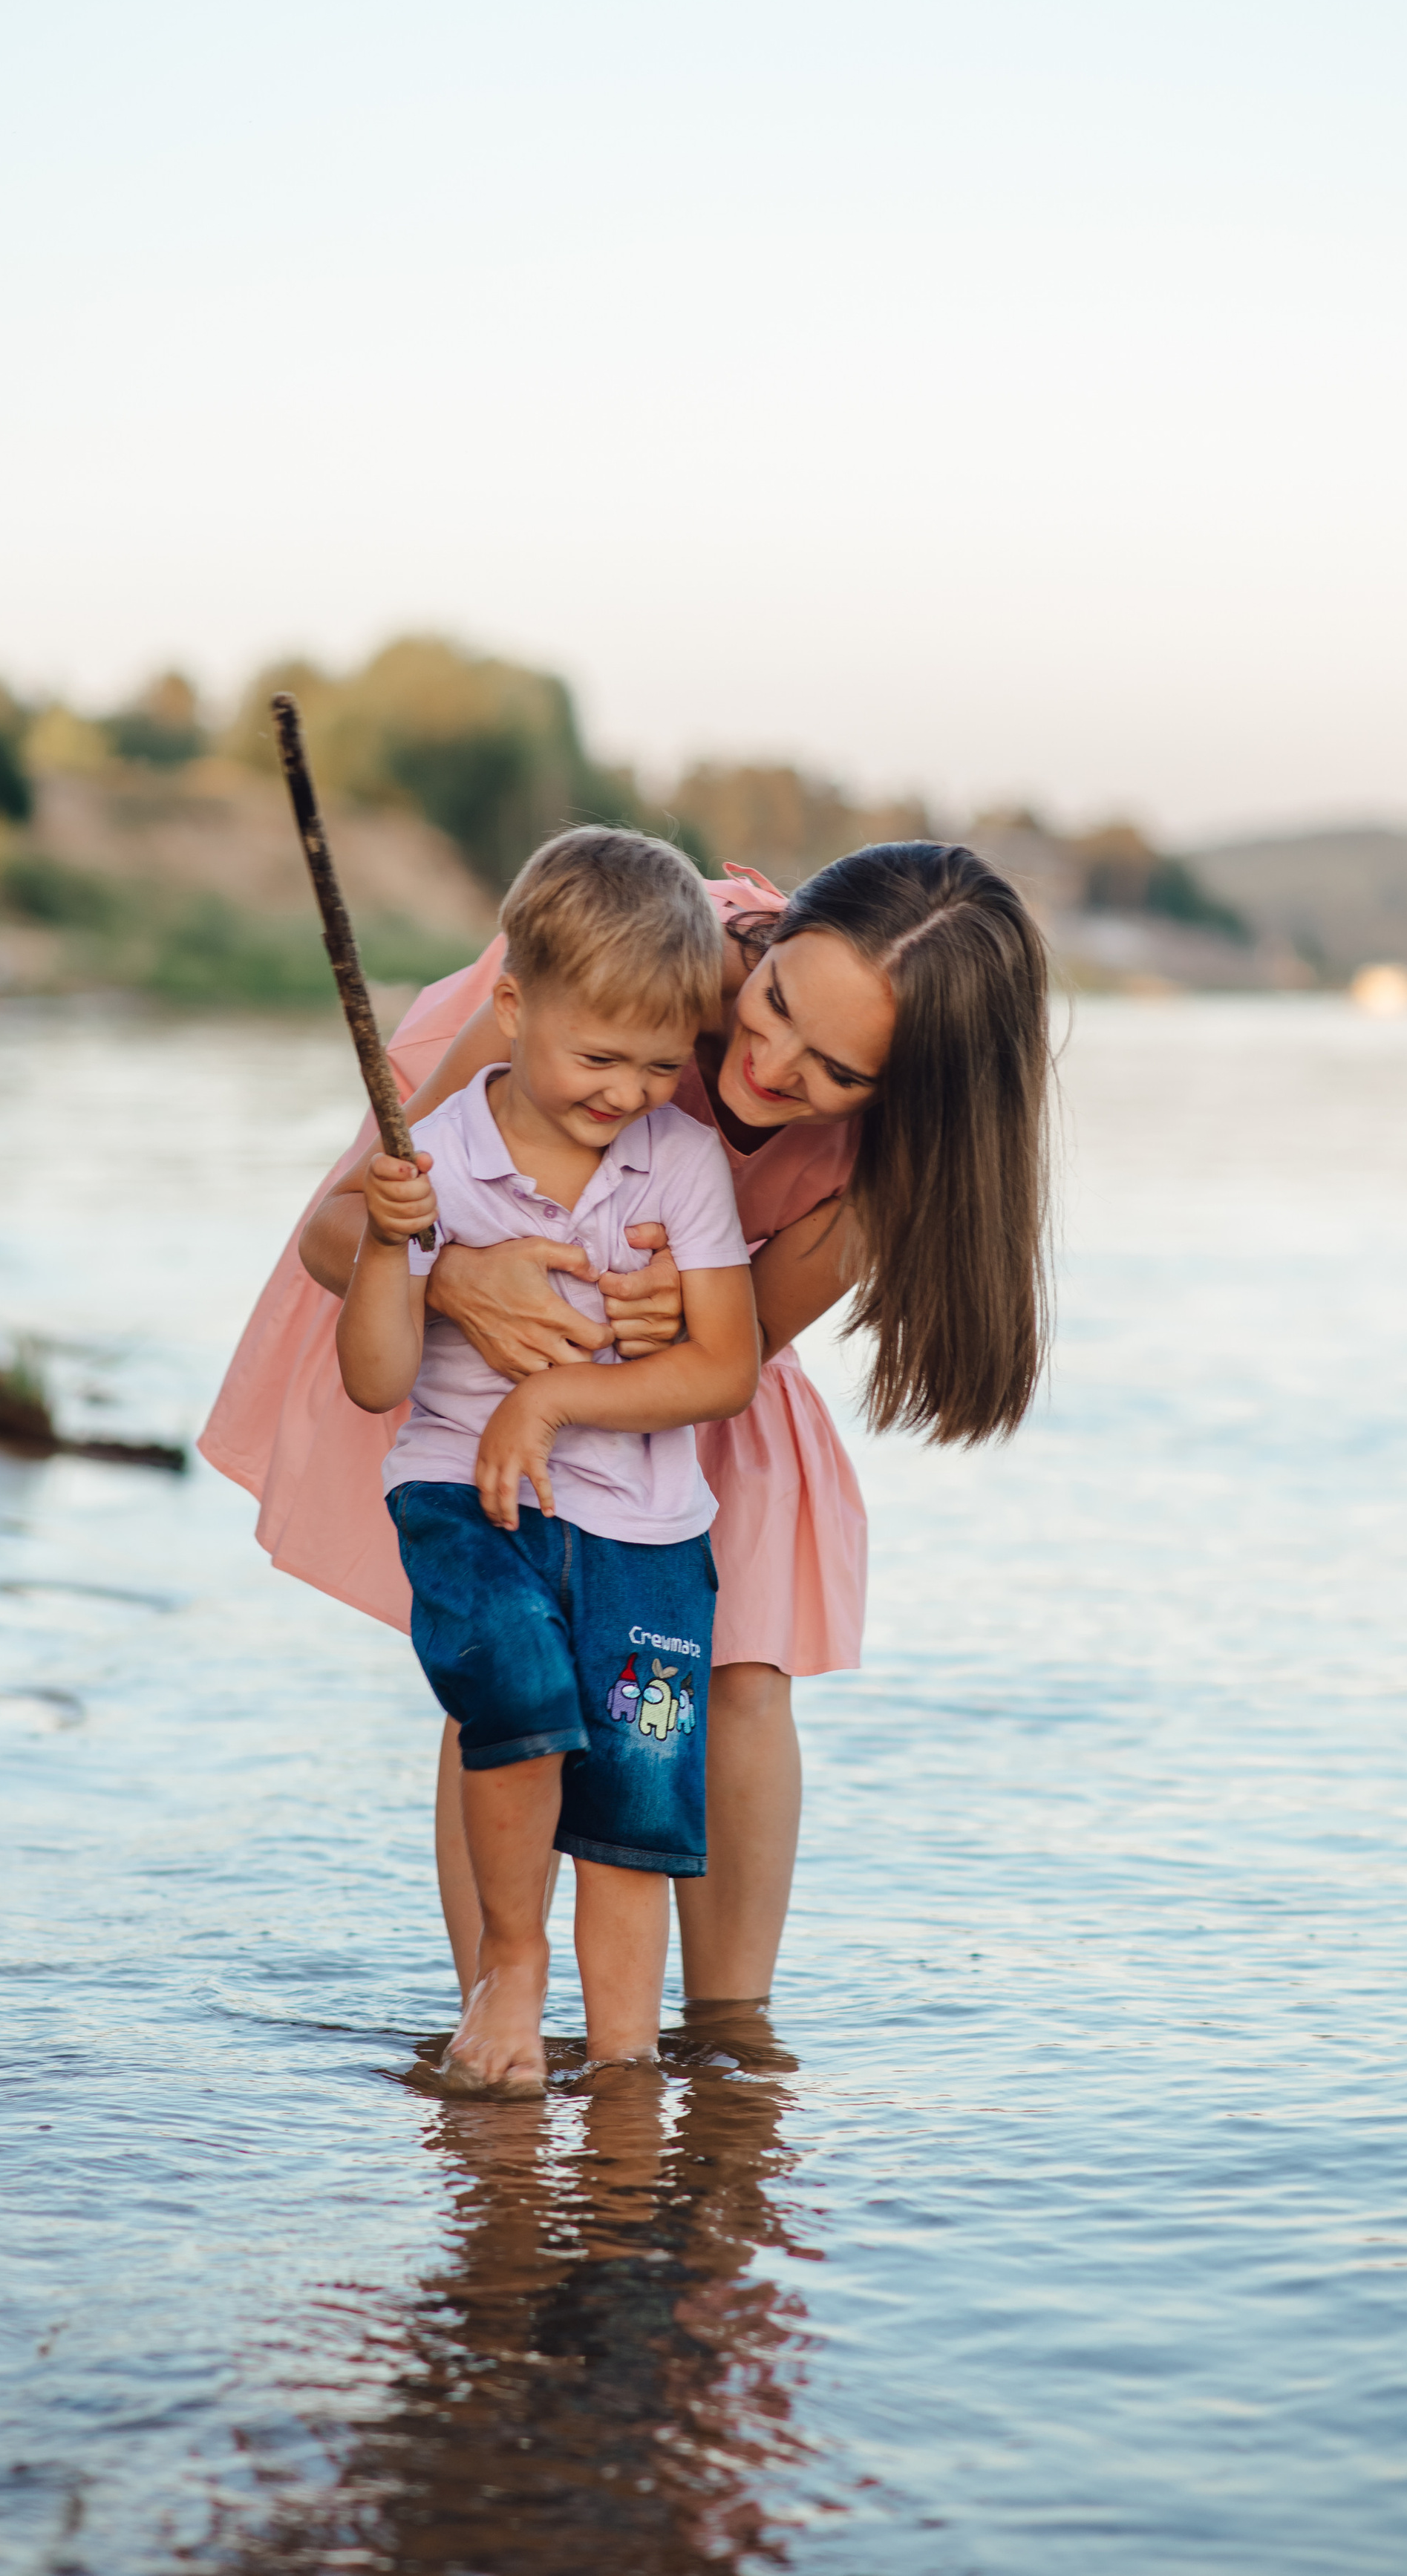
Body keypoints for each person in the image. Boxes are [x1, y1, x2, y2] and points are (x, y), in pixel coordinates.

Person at [201, 838, 1051, 2016]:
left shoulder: (903, 1149)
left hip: (692, 1374)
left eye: (836, 1070)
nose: (771, 1064)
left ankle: (729, 2051)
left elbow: (747, 1344)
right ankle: (497, 2006)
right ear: (770, 940)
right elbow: (342, 1230)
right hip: (494, 1327)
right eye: (775, 1003)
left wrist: (686, 1313)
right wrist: (461, 1280)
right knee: (517, 1663)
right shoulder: (625, 946)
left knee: (740, 1670)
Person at [336, 826, 760, 2092]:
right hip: (471, 1492)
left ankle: (623, 2076)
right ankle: (509, 1967)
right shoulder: (439, 1155)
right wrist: (389, 1244)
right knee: (512, 1691)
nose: (628, 1091)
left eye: (661, 1063)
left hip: (648, 1529)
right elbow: (375, 1377)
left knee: (636, 1798)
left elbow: (725, 1366)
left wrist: (558, 1398)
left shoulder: (680, 1160)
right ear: (513, 1009)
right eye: (598, 1057)